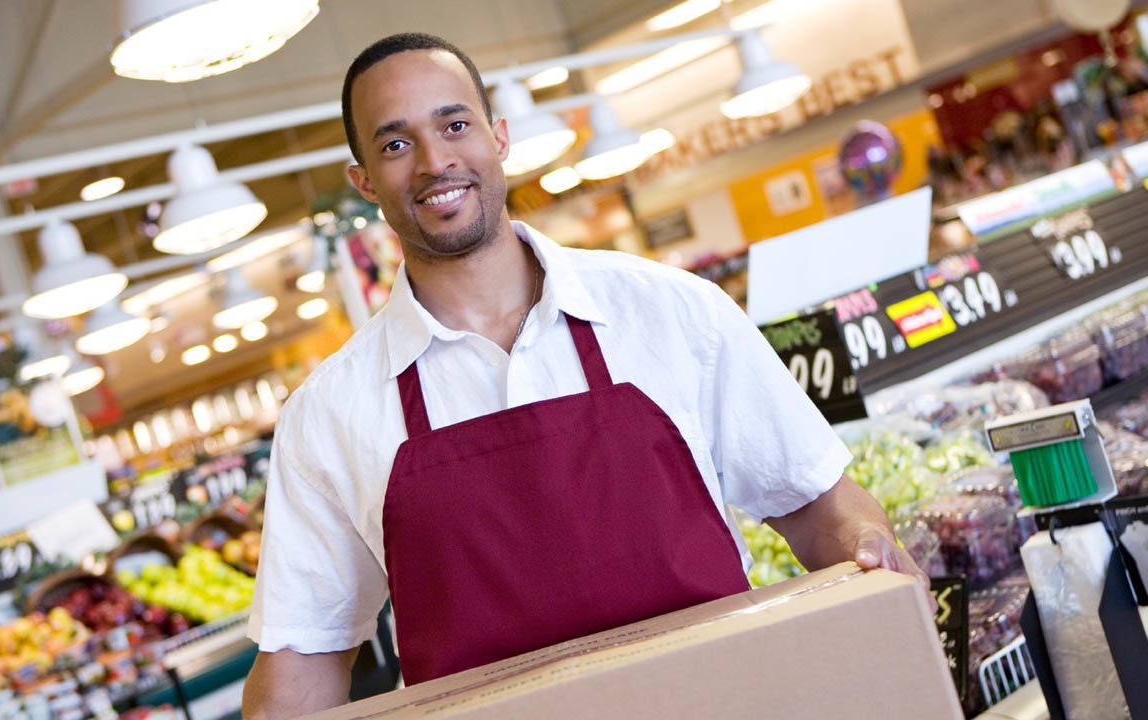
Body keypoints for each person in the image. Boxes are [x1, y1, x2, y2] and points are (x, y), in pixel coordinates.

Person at [242, 32, 928, 719]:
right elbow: (303, 661)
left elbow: (818, 509)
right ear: (364, 181)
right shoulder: (328, 415)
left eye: (454, 125)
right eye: (396, 144)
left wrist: (871, 552)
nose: (434, 161)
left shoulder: (672, 312)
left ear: (499, 137)